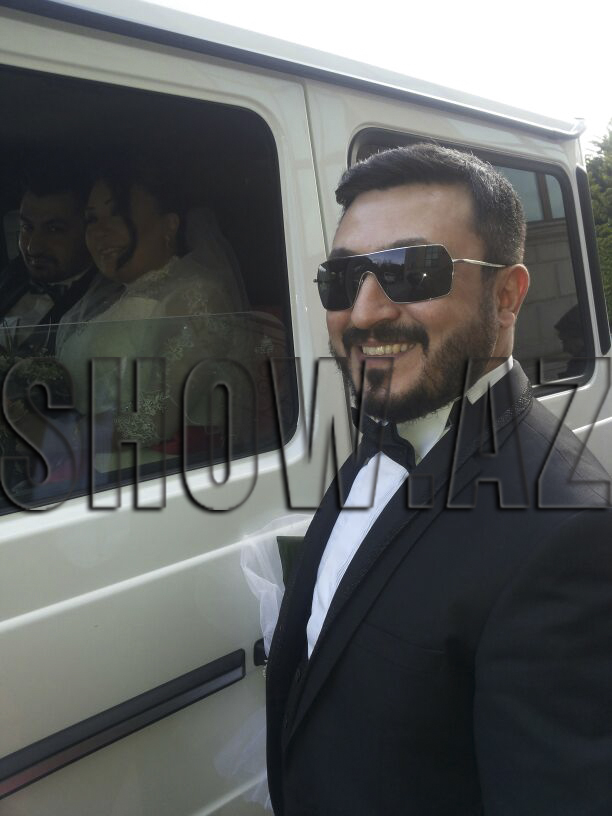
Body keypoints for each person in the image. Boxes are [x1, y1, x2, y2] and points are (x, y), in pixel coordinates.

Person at [266, 143, 612, 815]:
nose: (363, 312)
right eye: (343, 278)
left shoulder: (569, 535)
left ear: (506, 297)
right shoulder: (384, 433)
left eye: (410, 270)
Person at [55, 157, 250, 456]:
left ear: (169, 225)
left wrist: (57, 436)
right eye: (91, 219)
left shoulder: (198, 295)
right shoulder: (107, 299)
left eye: (117, 214)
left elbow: (152, 422)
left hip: (152, 472)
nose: (99, 231)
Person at [0, 160, 95, 355]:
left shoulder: (103, 302)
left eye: (54, 229)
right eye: (27, 227)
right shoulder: (13, 273)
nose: (32, 247)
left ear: (89, 230)